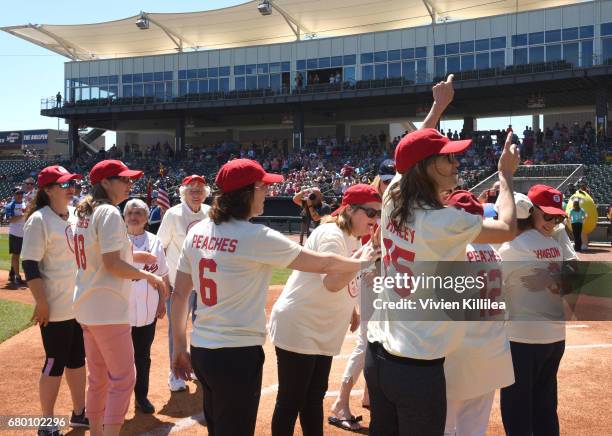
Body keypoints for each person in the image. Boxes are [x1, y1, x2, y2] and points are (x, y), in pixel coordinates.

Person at [170, 159, 375, 436]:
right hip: (238, 353)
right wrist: (366, 260)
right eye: (263, 186)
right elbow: (324, 264)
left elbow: (181, 293)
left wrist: (179, 346)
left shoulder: (197, 232)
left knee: (219, 427)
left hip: (203, 349)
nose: (267, 192)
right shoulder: (256, 236)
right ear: (247, 192)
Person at [366, 74, 520, 436]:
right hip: (417, 368)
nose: (456, 164)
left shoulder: (392, 197)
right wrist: (506, 176)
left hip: (379, 355)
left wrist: (438, 107)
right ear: (427, 168)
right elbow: (509, 228)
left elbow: (409, 154)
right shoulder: (443, 220)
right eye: (447, 159)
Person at [269, 184, 382, 435]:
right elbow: (331, 283)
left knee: (313, 397)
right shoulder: (332, 235)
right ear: (350, 210)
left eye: (379, 214)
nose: (376, 220)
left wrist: (351, 307)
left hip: (319, 326)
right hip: (301, 325)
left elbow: (344, 278)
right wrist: (365, 258)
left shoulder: (351, 236)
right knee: (291, 400)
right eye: (371, 213)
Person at [73, 160, 167, 436]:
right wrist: (150, 277)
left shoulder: (84, 212)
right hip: (108, 308)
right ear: (105, 182)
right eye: (123, 179)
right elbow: (113, 265)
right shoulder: (110, 213)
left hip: (87, 304)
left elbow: (99, 257)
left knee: (98, 377)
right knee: (124, 379)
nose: (129, 183)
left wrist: (135, 257)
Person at [499, 184, 575, 436]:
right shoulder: (552, 244)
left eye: (557, 217)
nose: (552, 222)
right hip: (554, 338)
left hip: (524, 340)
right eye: (548, 215)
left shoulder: (512, 248)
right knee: (544, 406)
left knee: (517, 408)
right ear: (531, 211)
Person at [21, 165, 89, 436]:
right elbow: (30, 264)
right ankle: (46, 422)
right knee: (54, 362)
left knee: (78, 360)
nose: (70, 188)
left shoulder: (73, 214)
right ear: (47, 190)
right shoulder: (39, 219)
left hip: (78, 304)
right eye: (63, 184)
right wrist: (42, 302)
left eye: (71, 183)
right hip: (55, 306)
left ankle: (79, 412)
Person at [328, 160, 396, 430]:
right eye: (386, 179)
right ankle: (341, 402)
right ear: (379, 180)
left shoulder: (390, 206)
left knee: (380, 337)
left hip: (384, 274)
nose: (389, 184)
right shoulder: (372, 206)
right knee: (367, 340)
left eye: (393, 179)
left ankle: (369, 395)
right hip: (368, 274)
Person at [443, 190, 515, 436]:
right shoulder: (494, 251)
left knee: (442, 426)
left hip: (457, 354)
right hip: (491, 350)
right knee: (473, 429)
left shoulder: (449, 249)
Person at [157, 174, 210, 392]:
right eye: (192, 190)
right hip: (179, 283)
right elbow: (160, 247)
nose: (196, 194)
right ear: (183, 192)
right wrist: (165, 280)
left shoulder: (209, 214)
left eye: (200, 190)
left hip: (203, 282)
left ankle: (198, 366)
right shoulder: (173, 214)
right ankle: (175, 372)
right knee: (177, 329)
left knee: (203, 326)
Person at [125, 199, 170, 414]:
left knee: (143, 356)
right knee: (118, 358)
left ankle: (141, 396)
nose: (134, 217)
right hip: (120, 311)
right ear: (124, 217)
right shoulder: (116, 241)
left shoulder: (155, 242)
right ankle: (118, 398)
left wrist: (162, 302)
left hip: (148, 309)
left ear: (145, 218)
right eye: (130, 213)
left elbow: (162, 275)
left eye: (139, 213)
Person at [5, 187, 26, 288]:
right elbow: (11, 219)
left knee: (26, 255)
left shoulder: (25, 203)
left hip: (26, 233)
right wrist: (23, 215)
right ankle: (17, 276)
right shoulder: (10, 205)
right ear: (14, 194)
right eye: (18, 193)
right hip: (15, 234)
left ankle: (12, 274)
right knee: (16, 255)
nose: (20, 195)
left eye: (21, 193)